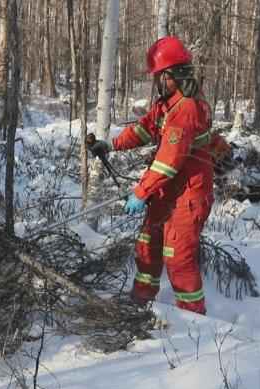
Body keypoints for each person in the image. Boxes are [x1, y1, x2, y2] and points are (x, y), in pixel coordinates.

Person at [88, 36, 231, 315]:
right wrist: (112, 144)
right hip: (167, 191)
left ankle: (193, 318)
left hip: (189, 194)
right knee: (147, 246)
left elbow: (168, 161)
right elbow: (144, 129)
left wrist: (141, 193)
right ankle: (141, 301)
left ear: (173, 74)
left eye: (159, 76)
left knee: (178, 258)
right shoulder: (168, 104)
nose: (156, 82)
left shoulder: (187, 107)